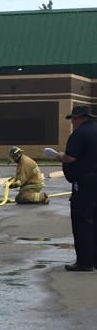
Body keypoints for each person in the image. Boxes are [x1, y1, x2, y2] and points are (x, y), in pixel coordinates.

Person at [50, 105, 97, 272]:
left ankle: (85, 262)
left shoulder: (80, 134)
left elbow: (70, 158)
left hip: (85, 183)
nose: (72, 123)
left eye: (73, 120)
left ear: (79, 118)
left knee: (83, 221)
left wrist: (58, 156)